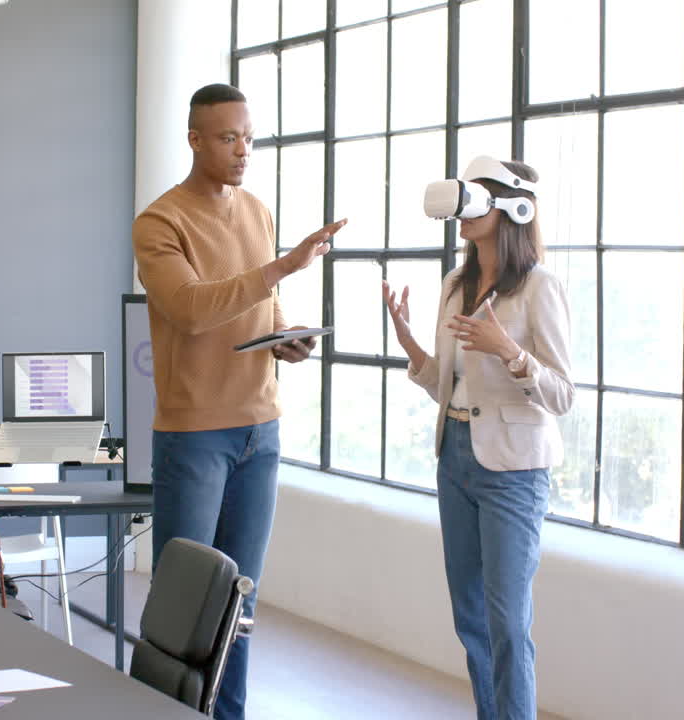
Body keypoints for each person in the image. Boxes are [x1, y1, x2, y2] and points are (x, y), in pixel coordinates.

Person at [132, 82, 346, 720]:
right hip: (195, 437)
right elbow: (193, 311)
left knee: (239, 606)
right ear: (194, 139)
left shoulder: (256, 210)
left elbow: (259, 308)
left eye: (249, 137)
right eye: (228, 138)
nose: (243, 150)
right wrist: (283, 267)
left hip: (261, 432)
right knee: (182, 608)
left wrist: (283, 341)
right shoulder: (159, 222)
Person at [383, 156, 573, 720]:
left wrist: (510, 352)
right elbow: (447, 381)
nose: (464, 212)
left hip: (513, 469)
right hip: (456, 456)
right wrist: (410, 343)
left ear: (511, 207)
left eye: (476, 198)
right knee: (470, 617)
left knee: (508, 622)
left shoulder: (539, 287)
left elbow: (562, 394)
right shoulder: (455, 283)